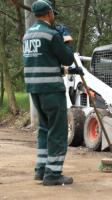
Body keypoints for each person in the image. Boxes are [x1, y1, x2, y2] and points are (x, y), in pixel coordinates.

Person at [23, 0, 83, 186]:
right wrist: (67, 39)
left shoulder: (27, 35)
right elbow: (67, 58)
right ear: (48, 13)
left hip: (35, 90)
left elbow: (42, 62)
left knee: (44, 130)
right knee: (57, 132)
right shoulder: (51, 34)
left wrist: (64, 71)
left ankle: (41, 170)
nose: (54, 16)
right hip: (51, 90)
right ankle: (53, 174)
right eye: (53, 13)